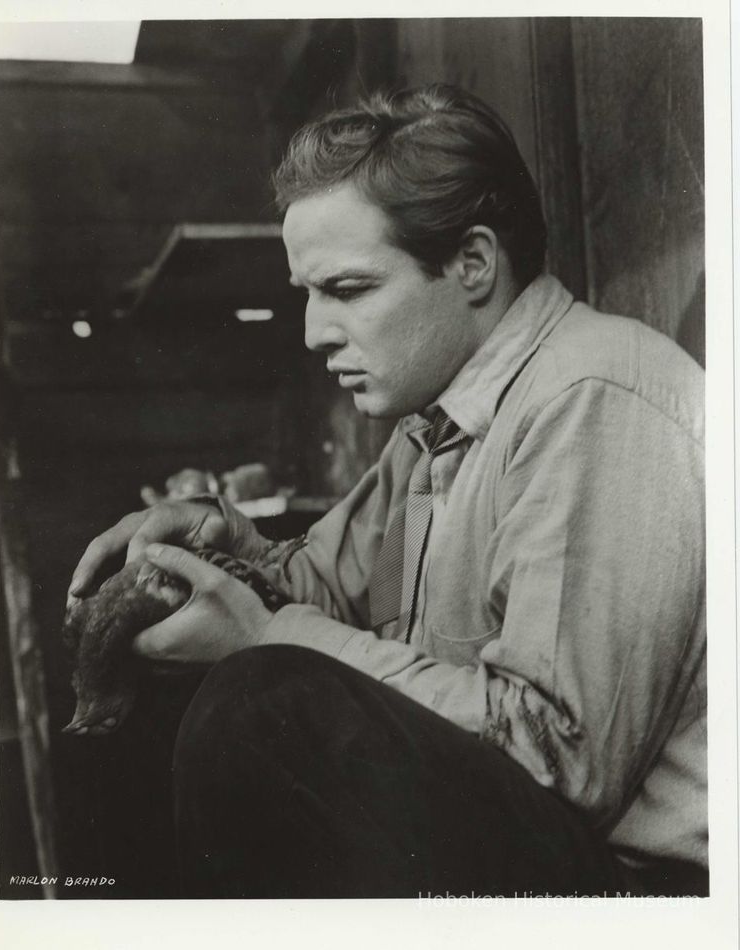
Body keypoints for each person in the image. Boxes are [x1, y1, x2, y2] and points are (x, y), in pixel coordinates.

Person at [69, 85, 707, 898]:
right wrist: (218, 544)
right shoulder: (437, 423)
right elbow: (326, 589)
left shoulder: (594, 398)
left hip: (643, 894)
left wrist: (265, 638)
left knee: (262, 709)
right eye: (307, 292)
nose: (313, 331)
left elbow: (557, 759)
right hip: (534, 843)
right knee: (194, 686)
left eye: (348, 289)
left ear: (473, 263)